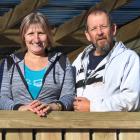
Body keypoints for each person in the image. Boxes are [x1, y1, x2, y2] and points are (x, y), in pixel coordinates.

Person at [0, 12, 75, 116]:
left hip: (52, 128)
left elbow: (69, 96)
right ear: (23, 37)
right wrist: (20, 108)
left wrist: (52, 106)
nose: (36, 39)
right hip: (16, 128)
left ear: (48, 35)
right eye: (30, 34)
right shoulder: (9, 63)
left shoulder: (61, 61)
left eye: (41, 33)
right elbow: (2, 98)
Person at [72, 8, 140, 112]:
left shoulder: (129, 58)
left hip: (110, 127)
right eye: (94, 28)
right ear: (87, 35)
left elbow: (132, 99)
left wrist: (92, 107)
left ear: (113, 29)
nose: (99, 32)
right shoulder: (79, 61)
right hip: (79, 126)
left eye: (103, 27)